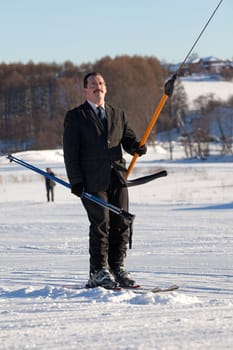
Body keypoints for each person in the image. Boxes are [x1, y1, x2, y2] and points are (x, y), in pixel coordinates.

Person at [63, 72, 147, 289]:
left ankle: (117, 268)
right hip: (91, 181)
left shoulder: (118, 113)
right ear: (85, 90)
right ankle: (98, 271)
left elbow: (127, 140)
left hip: (117, 177)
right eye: (92, 84)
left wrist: (136, 146)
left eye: (100, 83)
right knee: (101, 222)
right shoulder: (76, 116)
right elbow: (70, 153)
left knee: (121, 221)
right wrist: (76, 181)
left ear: (106, 88)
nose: (97, 87)